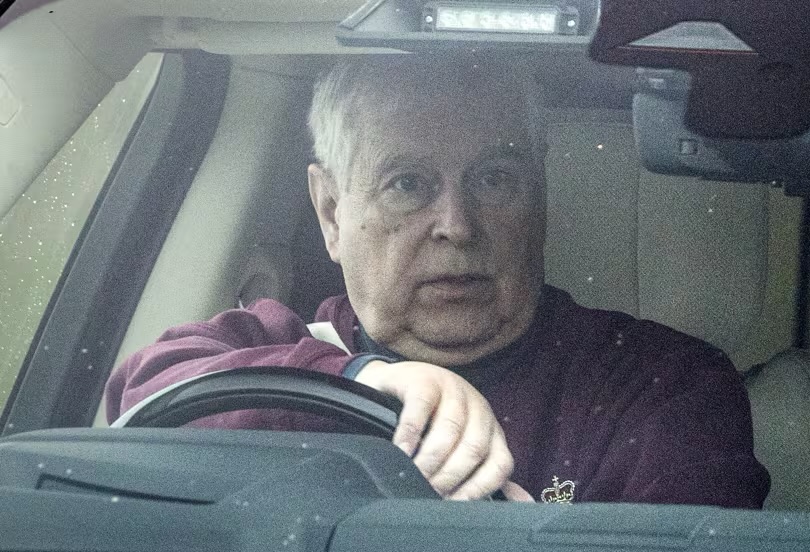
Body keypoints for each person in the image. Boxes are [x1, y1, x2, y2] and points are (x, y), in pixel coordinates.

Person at [106, 56, 770, 506]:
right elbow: (140, 397)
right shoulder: (266, 344)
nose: (457, 225)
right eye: (407, 184)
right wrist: (357, 380)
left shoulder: (660, 388)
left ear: (539, 200)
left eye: (495, 179)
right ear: (331, 212)